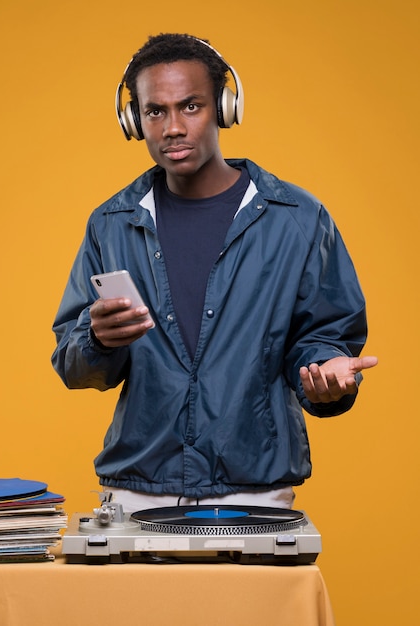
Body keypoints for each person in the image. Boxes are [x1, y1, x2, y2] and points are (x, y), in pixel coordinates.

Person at [51, 33, 377, 512]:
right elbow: (72, 362)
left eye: (191, 106)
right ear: (134, 121)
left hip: (254, 491)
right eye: (155, 111)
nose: (172, 128)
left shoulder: (298, 218)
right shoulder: (111, 224)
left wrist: (323, 373)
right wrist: (97, 341)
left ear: (224, 108)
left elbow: (324, 337)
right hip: (135, 493)